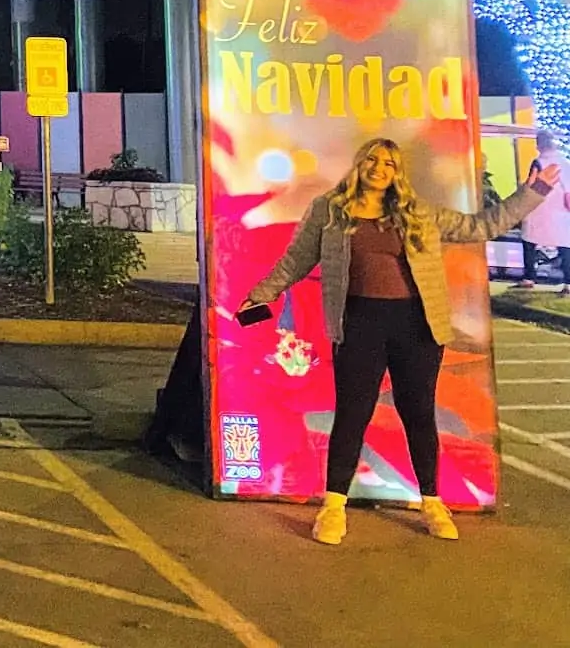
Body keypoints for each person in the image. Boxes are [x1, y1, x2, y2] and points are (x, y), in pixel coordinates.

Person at [242, 136, 558, 544]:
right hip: (358, 325)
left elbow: (482, 226)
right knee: (352, 415)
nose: (379, 169)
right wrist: (262, 293)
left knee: (419, 415)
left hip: (416, 326)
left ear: (397, 173)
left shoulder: (418, 212)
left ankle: (432, 503)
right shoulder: (329, 210)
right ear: (360, 164)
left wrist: (533, 192)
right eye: (373, 160)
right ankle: (333, 508)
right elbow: (296, 261)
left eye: (389, 164)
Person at [518, 132, 570, 291]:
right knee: (565, 246)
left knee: (529, 241)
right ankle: (568, 282)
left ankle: (529, 278)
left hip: (538, 209)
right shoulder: (565, 163)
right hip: (561, 212)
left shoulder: (538, 162)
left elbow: (530, 185)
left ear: (539, 145)